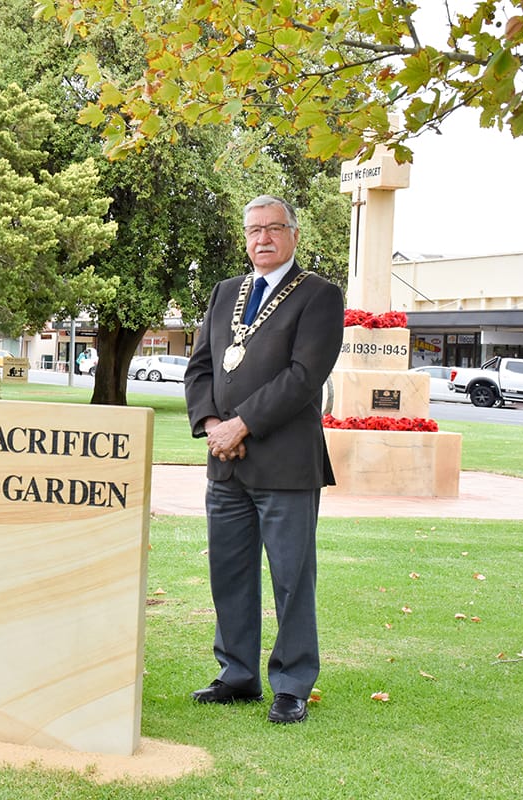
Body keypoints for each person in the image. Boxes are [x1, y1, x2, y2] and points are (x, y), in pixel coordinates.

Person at [183, 195, 344, 724]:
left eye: (274, 228)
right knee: (229, 573)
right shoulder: (226, 292)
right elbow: (201, 366)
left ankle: (293, 682)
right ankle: (237, 674)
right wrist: (211, 425)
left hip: (285, 465)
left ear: (294, 235)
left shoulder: (318, 295)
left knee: (292, 578)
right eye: (254, 230)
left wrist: (241, 424)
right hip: (225, 462)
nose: (262, 239)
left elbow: (304, 377)